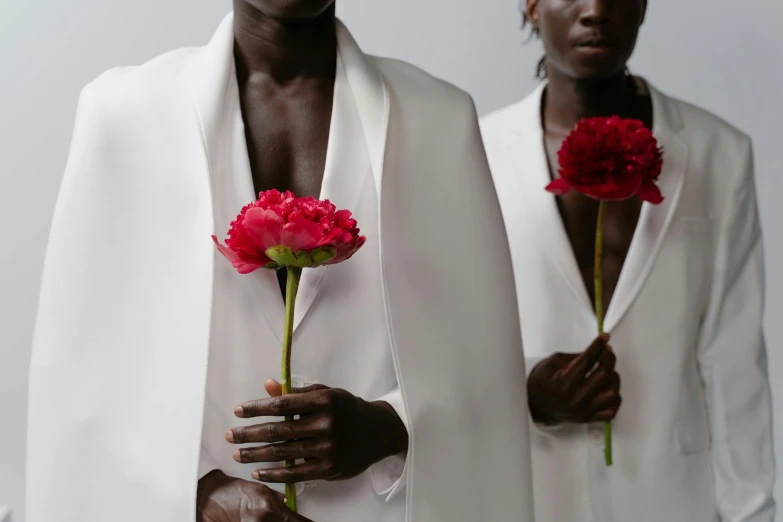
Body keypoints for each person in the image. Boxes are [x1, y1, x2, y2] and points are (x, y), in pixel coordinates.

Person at [25, 2, 535, 521]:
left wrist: (390, 424)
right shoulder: (123, 116)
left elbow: (485, 367)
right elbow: (79, 373)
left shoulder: (439, 120)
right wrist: (195, 492)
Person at [480, 1, 775, 521]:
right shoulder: (474, 153)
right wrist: (527, 391)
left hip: (671, 497)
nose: (595, 10)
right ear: (530, 6)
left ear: (642, 6)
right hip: (529, 496)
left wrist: (752, 512)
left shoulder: (718, 153)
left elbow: (733, 362)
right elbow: (450, 346)